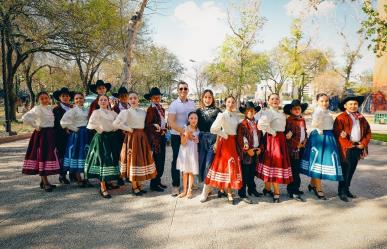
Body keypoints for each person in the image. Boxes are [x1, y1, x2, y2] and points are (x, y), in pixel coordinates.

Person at [113, 91, 157, 196]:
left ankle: (139, 185)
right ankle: (134, 186)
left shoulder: (143, 112)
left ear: (138, 100)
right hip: (132, 138)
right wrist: (128, 128)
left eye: (135, 98)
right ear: (128, 100)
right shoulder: (125, 112)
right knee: (133, 160)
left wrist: (155, 125)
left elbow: (147, 124)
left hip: (142, 138)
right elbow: (115, 124)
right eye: (131, 98)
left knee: (140, 161)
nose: (133, 100)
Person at [300, 93, 343, 200]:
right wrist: (320, 131)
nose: (324, 103)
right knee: (318, 161)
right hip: (320, 136)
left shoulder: (328, 112)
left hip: (328, 136)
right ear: (317, 102)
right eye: (322, 101)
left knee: (323, 161)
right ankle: (318, 188)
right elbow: (315, 124)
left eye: (326, 101)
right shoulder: (318, 112)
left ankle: (312, 184)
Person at [201, 96, 243, 205]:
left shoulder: (236, 115)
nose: (231, 104)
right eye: (229, 101)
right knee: (226, 165)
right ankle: (229, 193)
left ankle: (222, 189)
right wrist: (224, 135)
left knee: (230, 165)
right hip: (226, 142)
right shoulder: (222, 115)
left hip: (233, 142)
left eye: (233, 102)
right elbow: (213, 129)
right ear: (225, 103)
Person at [333, 94, 371, 202]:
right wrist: (348, 144)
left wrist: (363, 143)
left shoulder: (361, 117)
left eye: (355, 104)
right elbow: (337, 133)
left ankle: (347, 189)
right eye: (350, 104)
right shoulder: (341, 117)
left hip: (358, 146)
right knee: (345, 170)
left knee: (352, 169)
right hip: (347, 148)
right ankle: (342, 191)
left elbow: (368, 131)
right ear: (345, 106)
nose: (353, 106)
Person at [257, 93, 293, 203]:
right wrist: (273, 132)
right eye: (272, 99)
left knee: (272, 163)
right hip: (273, 140)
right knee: (274, 163)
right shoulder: (268, 112)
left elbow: (283, 127)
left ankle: (267, 188)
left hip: (281, 140)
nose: (275, 101)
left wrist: (288, 133)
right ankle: (276, 191)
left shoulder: (281, 114)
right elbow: (260, 125)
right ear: (268, 101)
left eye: (277, 99)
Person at [22, 92, 60, 192]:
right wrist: (36, 126)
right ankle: (45, 182)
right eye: (42, 99)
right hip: (42, 135)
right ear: (39, 100)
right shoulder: (37, 108)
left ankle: (44, 181)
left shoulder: (50, 108)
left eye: (46, 98)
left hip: (50, 134)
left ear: (49, 98)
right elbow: (25, 117)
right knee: (42, 156)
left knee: (48, 156)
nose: (44, 100)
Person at [84, 95, 120, 198]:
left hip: (111, 138)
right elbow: (91, 124)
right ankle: (102, 186)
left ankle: (108, 181)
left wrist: (115, 128)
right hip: (100, 138)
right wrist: (99, 129)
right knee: (102, 160)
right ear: (98, 102)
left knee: (111, 159)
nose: (103, 101)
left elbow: (119, 122)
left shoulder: (112, 113)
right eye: (101, 100)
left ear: (108, 102)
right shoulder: (96, 112)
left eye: (105, 100)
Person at [167, 81, 196, 196]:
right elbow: (171, 122)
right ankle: (175, 185)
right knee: (176, 160)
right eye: (181, 89)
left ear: (188, 90)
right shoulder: (174, 104)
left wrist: (192, 133)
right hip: (176, 136)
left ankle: (188, 185)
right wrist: (184, 132)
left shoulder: (192, 104)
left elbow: (194, 119)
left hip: (189, 136)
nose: (183, 90)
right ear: (178, 91)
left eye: (185, 88)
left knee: (188, 159)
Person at [60, 92, 91, 187]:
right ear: (74, 100)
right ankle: (79, 179)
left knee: (85, 154)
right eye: (76, 98)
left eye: (81, 98)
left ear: (84, 99)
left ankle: (86, 178)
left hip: (86, 133)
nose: (79, 100)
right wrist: (75, 129)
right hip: (77, 135)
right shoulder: (72, 110)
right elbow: (63, 122)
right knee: (77, 154)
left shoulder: (87, 110)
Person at [236, 101, 264, 204]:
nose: (250, 112)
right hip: (247, 153)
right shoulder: (242, 125)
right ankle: (242, 193)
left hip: (256, 151)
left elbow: (261, 137)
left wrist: (260, 147)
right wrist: (247, 150)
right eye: (248, 110)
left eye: (252, 110)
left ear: (255, 112)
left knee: (252, 172)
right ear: (245, 112)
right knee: (245, 173)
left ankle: (252, 189)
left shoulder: (257, 123)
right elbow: (240, 140)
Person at [284, 100, 308, 202]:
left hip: (301, 147)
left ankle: (296, 188)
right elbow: (287, 136)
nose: (297, 110)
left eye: (299, 108)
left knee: (297, 170)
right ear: (291, 110)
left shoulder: (302, 120)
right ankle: (292, 190)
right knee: (293, 170)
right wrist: (296, 144)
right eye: (295, 109)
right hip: (293, 149)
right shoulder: (289, 120)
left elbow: (304, 132)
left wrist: (305, 140)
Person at [144, 87, 168, 192]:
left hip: (161, 136)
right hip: (155, 140)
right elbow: (148, 125)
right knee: (157, 161)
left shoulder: (161, 108)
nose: (157, 99)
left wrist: (165, 129)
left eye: (158, 97)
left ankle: (158, 181)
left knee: (161, 160)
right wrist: (156, 127)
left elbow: (163, 122)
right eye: (155, 98)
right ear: (151, 99)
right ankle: (154, 183)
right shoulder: (151, 109)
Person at [196, 89, 221, 183]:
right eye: (205, 97)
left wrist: (217, 143)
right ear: (202, 98)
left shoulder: (217, 111)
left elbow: (221, 128)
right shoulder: (198, 111)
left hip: (213, 139)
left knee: (209, 163)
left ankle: (208, 185)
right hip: (201, 138)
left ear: (212, 98)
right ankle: (205, 184)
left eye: (209, 97)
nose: (207, 99)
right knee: (201, 162)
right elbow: (192, 124)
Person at [52, 87, 74, 184]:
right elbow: (56, 122)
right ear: (60, 98)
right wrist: (65, 128)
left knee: (72, 153)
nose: (65, 98)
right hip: (61, 135)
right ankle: (62, 175)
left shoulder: (73, 107)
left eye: (67, 96)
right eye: (63, 96)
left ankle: (73, 174)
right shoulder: (56, 109)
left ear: (69, 97)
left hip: (73, 133)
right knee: (63, 154)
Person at [176, 112, 200, 199]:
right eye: (191, 118)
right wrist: (186, 135)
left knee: (191, 172)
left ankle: (189, 190)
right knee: (185, 172)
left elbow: (197, 142)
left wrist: (197, 139)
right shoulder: (184, 128)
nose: (194, 120)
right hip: (185, 152)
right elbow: (182, 142)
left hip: (193, 152)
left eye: (195, 118)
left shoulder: (198, 130)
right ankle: (184, 190)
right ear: (188, 119)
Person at [112, 86, 130, 186]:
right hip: (119, 135)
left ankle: (127, 175)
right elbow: (115, 122)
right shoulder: (115, 108)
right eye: (121, 96)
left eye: (125, 95)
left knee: (128, 155)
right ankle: (119, 176)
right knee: (119, 155)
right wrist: (122, 129)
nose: (124, 97)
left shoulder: (130, 106)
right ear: (118, 97)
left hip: (129, 135)